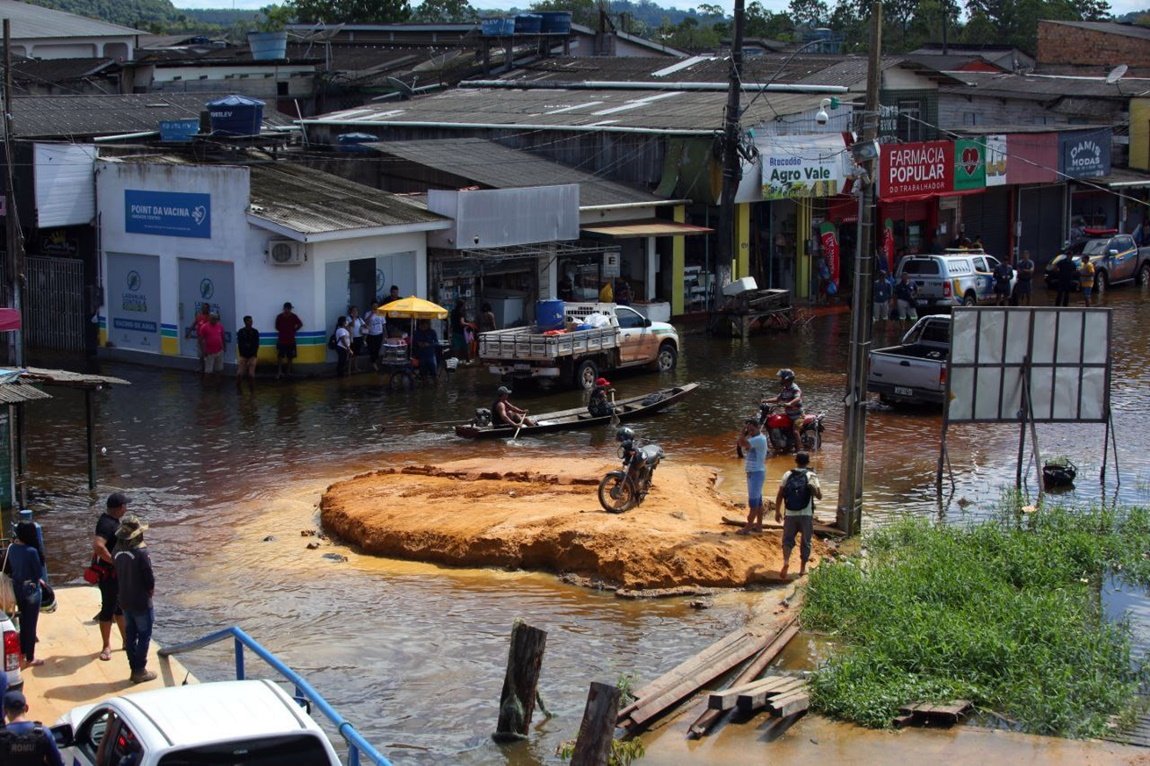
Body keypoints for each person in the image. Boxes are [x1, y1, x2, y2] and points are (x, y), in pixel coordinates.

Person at [114, 514, 156, 685]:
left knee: (130, 635)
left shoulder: (116, 551)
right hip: (140, 600)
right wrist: (150, 592)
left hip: (124, 598)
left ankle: (133, 668)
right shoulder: (141, 553)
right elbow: (149, 579)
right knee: (144, 635)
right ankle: (140, 670)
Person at [2, 522, 46, 669]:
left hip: (17, 588)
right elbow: (38, 573)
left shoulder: (12, 548)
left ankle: (22, 651)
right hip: (32, 590)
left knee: (23, 622)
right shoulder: (32, 551)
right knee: (31, 623)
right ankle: (30, 657)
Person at [774, 451, 822, 579]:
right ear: (808, 462)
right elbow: (820, 496)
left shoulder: (788, 474)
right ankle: (802, 569)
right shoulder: (811, 475)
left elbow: (780, 495)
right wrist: (814, 488)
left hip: (790, 514)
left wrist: (777, 511)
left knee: (787, 541)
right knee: (806, 542)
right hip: (806, 515)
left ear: (796, 461)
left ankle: (785, 562)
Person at [92, 492, 128, 663]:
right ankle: (106, 646)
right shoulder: (107, 524)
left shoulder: (111, 521)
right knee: (108, 609)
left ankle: (126, 641)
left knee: (120, 607)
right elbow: (98, 546)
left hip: (116, 575)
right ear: (120, 507)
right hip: (109, 575)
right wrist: (114, 562)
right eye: (125, 506)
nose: (126, 508)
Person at [1, 690, 65, 766]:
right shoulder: (43, 732)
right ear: (26, 708)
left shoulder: (2, 734)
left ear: (4, 711)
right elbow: (58, 763)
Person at [736, 417, 768, 535]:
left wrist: (742, 432)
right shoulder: (756, 438)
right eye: (749, 430)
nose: (750, 432)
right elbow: (742, 443)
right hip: (755, 473)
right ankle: (759, 526)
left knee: (753, 503)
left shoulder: (758, 439)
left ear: (758, 427)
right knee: (758, 502)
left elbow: (742, 443)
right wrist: (745, 433)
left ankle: (747, 528)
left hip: (756, 474)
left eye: (752, 429)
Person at [763, 368, 803, 451]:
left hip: (798, 416)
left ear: (787, 379)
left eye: (781, 378)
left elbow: (798, 398)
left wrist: (790, 403)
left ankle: (799, 451)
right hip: (788, 415)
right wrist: (765, 400)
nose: (780, 380)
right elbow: (778, 399)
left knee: (795, 432)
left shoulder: (795, 388)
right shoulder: (785, 389)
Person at [275, 302, 303, 380]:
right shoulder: (279, 317)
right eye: (287, 308)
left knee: (290, 357)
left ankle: (288, 372)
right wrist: (283, 331)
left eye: (289, 309)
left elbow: (300, 324)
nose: (289, 310)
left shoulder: (294, 316)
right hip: (282, 339)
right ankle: (279, 372)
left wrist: (294, 330)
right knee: (280, 357)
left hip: (291, 339)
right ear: (284, 308)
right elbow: (277, 326)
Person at [197, 312, 226, 382]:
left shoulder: (220, 326)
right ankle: (205, 388)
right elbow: (200, 340)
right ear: (209, 318)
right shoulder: (204, 327)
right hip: (209, 352)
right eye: (213, 319)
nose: (215, 320)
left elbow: (222, 337)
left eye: (216, 319)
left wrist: (224, 347)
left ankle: (218, 385)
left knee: (219, 370)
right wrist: (203, 351)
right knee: (208, 371)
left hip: (219, 351)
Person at [235, 315, 259, 393]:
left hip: (252, 356)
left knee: (251, 375)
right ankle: (238, 389)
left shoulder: (255, 332)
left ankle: (252, 390)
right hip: (243, 355)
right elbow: (240, 345)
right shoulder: (241, 332)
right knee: (239, 374)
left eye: (251, 321)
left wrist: (252, 356)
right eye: (249, 321)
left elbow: (256, 345)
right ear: (245, 322)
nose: (251, 322)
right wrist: (243, 356)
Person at [364, 301, 386, 371]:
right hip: (371, 334)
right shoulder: (367, 313)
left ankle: (374, 362)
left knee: (377, 349)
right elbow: (365, 322)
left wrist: (386, 333)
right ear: (371, 306)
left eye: (376, 305)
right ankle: (373, 363)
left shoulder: (381, 313)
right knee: (372, 349)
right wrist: (371, 314)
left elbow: (383, 324)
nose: (375, 307)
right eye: (374, 306)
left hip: (379, 334)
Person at [347, 306, 366, 370]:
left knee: (357, 353)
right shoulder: (348, 318)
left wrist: (366, 327)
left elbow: (364, 325)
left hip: (359, 337)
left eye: (356, 311)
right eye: (353, 311)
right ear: (351, 312)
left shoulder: (360, 319)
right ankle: (349, 368)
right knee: (351, 353)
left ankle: (355, 367)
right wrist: (354, 318)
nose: (355, 312)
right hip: (352, 338)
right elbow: (352, 325)